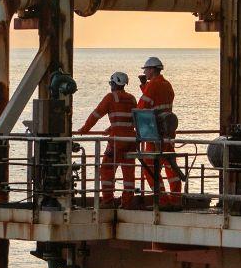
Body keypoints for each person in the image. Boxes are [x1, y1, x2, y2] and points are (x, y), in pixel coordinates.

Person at [76, 72, 138, 207]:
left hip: (117, 142)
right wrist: (111, 128)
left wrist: (84, 129)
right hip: (131, 142)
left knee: (106, 170)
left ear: (115, 84)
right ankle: (127, 203)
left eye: (111, 83)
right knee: (128, 173)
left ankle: (108, 201)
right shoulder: (132, 99)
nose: (111, 86)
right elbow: (129, 120)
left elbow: (96, 114)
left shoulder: (110, 98)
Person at [137, 57, 183, 206]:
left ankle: (162, 199)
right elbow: (157, 101)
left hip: (154, 134)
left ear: (152, 70)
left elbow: (142, 106)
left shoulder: (153, 85)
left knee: (149, 168)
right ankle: (176, 199)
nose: (145, 72)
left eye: (146, 69)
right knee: (171, 166)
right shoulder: (167, 84)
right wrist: (145, 86)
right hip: (168, 134)